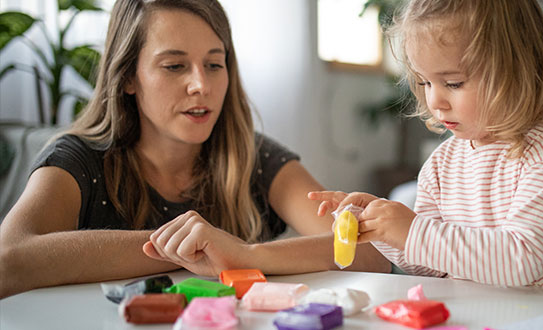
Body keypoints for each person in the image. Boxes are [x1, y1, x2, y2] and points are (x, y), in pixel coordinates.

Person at [0, 0, 389, 299]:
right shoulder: (79, 158)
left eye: (214, 64)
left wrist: (244, 255)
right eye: (174, 66)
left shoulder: (255, 158)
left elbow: (373, 254)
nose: (200, 85)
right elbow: (9, 259)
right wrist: (192, 249)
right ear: (128, 77)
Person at [309, 0, 543, 290]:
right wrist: (382, 227)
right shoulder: (442, 162)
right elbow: (428, 266)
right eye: (425, 83)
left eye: (454, 83)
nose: (435, 101)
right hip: (473, 314)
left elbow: (520, 260)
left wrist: (412, 230)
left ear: (516, 71)